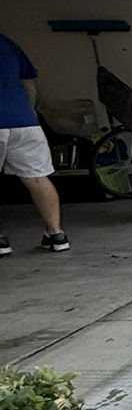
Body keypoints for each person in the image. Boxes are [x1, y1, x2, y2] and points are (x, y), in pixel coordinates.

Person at [0, 32, 69, 254]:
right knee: (37, 178)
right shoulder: (7, 43)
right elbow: (29, 84)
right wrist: (30, 114)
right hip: (24, 122)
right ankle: (56, 234)